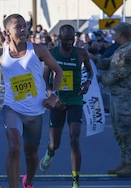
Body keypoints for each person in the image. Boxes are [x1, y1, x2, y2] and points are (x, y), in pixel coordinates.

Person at [0, 13, 63, 188]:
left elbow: (58, 71)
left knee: (31, 155)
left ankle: (28, 181)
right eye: (18, 26)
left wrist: (54, 95)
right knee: (14, 147)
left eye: (25, 26)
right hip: (12, 108)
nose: (23, 29)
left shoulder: (38, 50)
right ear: (7, 31)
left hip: (36, 110)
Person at [39, 24, 93, 188]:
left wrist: (87, 83)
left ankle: (75, 181)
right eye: (66, 39)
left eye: (72, 39)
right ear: (59, 38)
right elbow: (45, 78)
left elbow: (90, 71)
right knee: (55, 144)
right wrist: (51, 95)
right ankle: (49, 153)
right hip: (58, 100)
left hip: (75, 99)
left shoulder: (81, 53)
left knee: (74, 138)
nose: (69, 42)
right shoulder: (52, 53)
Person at [93, 22, 131, 177]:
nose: (113, 35)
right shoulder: (122, 49)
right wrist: (93, 59)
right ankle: (125, 162)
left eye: (115, 32)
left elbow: (121, 72)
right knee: (119, 131)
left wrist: (101, 79)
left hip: (125, 97)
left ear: (121, 33)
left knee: (127, 131)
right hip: (117, 96)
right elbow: (110, 64)